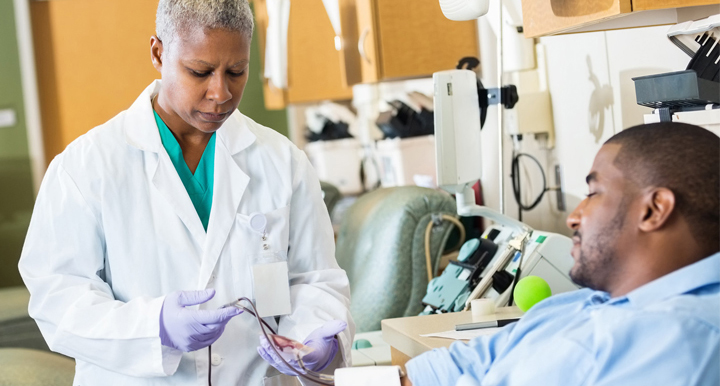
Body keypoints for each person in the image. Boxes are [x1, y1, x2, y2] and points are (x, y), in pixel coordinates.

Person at [18, 1, 354, 385]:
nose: (221, 93)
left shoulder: (283, 162)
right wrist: (155, 326)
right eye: (200, 71)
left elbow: (315, 278)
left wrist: (316, 339)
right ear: (158, 53)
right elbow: (57, 296)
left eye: (236, 71)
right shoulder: (86, 166)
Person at [402, 122, 720, 386]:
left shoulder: (680, 338)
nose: (573, 217)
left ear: (654, 209)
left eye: (593, 193)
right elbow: (461, 366)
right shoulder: (578, 304)